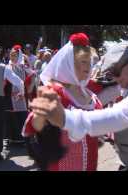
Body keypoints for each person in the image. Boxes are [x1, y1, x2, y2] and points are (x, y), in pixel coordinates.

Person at [29, 41, 128, 171]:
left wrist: (66, 118)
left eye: (115, 72)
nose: (114, 79)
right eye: (110, 75)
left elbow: (119, 115)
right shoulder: (57, 91)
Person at [22, 33, 102, 171]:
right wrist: (41, 113)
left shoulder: (92, 96)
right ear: (68, 63)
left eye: (90, 62)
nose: (88, 66)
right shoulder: (55, 92)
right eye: (83, 61)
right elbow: (33, 127)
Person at [3, 45, 29, 153]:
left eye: (14, 55)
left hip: (21, 95)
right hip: (9, 94)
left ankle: (22, 139)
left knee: (20, 115)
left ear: (19, 56)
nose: (12, 57)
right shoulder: (7, 66)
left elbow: (29, 78)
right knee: (10, 116)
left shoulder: (23, 66)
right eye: (11, 55)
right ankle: (11, 138)